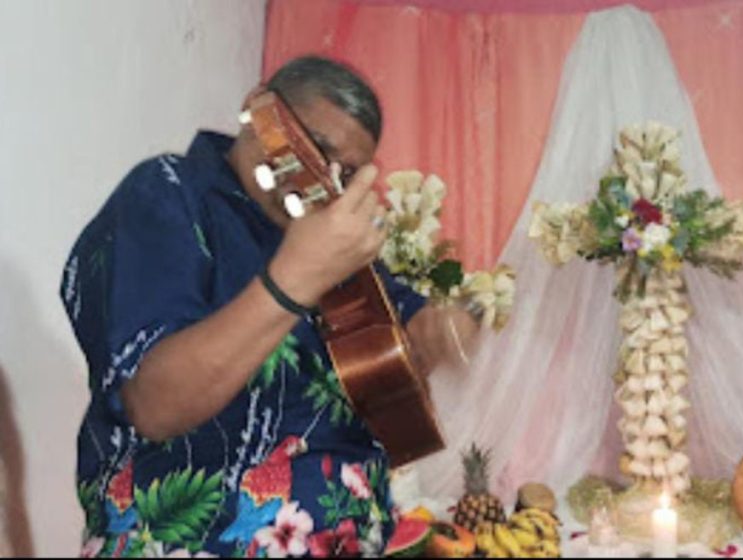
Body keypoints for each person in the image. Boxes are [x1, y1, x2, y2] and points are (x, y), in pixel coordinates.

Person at [61, 56, 474, 558]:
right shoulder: (167, 193)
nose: (321, 179)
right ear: (259, 110)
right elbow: (155, 406)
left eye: (343, 173)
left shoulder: (330, 237)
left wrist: (443, 327)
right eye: (314, 149)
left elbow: (405, 324)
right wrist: (293, 280)